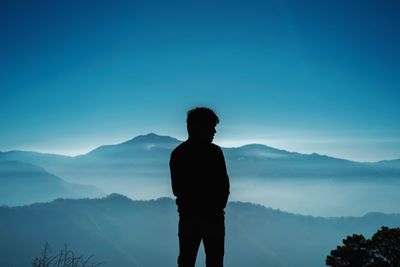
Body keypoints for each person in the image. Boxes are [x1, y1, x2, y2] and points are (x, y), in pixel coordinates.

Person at [170, 107, 230, 267]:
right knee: (215, 261)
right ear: (198, 127)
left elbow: (177, 189)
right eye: (211, 127)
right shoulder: (215, 153)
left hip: (189, 217)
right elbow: (224, 186)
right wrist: (216, 207)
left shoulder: (178, 154)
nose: (214, 131)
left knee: (186, 261)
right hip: (213, 218)